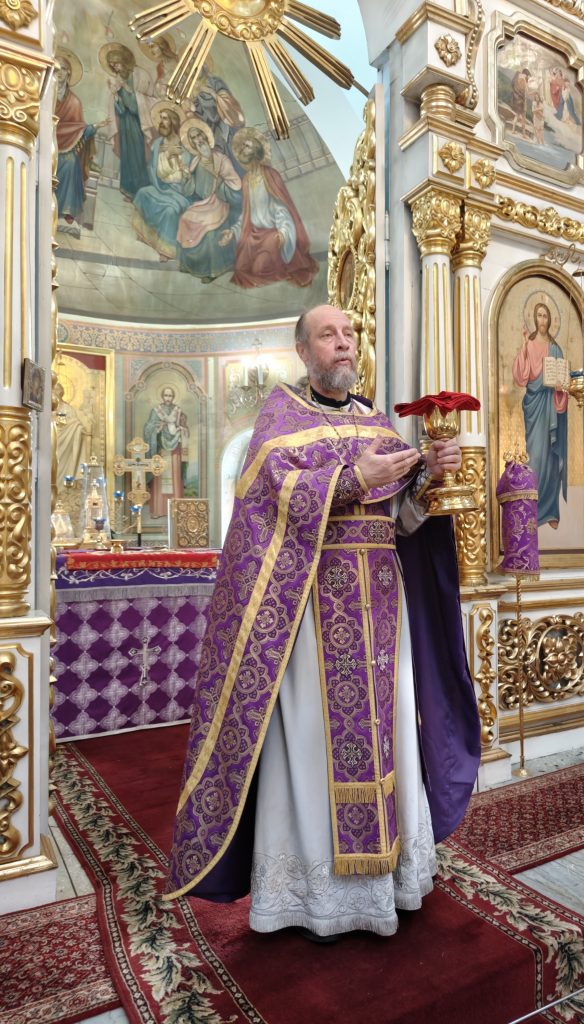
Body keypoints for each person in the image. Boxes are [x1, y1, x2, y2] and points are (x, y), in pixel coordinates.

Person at [164, 304, 481, 939]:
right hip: (310, 616)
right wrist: (353, 478)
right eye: (328, 335)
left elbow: (402, 524)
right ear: (304, 351)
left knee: (391, 737)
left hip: (382, 615)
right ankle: (316, 899)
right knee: (311, 748)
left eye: (350, 334)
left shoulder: (378, 424)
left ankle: (391, 882)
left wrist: (427, 482)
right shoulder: (279, 418)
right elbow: (266, 508)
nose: (343, 344)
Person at [224, 127, 318, 288]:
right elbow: (246, 213)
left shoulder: (270, 175)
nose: (242, 149)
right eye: (242, 146)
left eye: (247, 146)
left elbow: (281, 208)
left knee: (261, 269)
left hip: (272, 234)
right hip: (253, 235)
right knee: (241, 270)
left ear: (256, 151)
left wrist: (283, 232)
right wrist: (232, 231)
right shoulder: (246, 180)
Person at [512, 301, 568, 529]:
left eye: (545, 316)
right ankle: (533, 509)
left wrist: (561, 387)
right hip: (534, 408)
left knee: (552, 461)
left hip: (551, 406)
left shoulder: (555, 349)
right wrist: (524, 346)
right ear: (535, 319)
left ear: (549, 320)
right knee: (534, 457)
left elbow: (563, 382)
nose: (542, 320)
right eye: (539, 315)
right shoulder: (529, 344)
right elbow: (521, 377)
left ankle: (550, 511)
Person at [176, 118, 242, 282]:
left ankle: (214, 270)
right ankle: (191, 264)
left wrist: (219, 183)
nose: (198, 140)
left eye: (199, 135)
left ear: (206, 136)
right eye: (193, 138)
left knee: (209, 225)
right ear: (192, 144)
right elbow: (189, 190)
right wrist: (187, 177)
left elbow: (235, 183)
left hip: (219, 201)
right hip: (203, 203)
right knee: (185, 219)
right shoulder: (195, 161)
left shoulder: (221, 159)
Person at [54, 50, 103, 238]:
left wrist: (93, 128)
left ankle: (65, 210)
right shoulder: (44, 92)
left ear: (68, 73)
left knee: (71, 162)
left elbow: (78, 129)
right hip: (44, 143)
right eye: (56, 68)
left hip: (65, 147)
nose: (59, 72)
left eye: (63, 68)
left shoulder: (74, 102)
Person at [132, 103, 191, 260]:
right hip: (160, 186)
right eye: (161, 119)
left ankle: (165, 249)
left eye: (165, 119)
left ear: (173, 122)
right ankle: (145, 235)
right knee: (142, 193)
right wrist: (165, 159)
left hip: (177, 191)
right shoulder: (158, 144)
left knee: (170, 211)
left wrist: (173, 159)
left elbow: (184, 176)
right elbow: (153, 169)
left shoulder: (182, 146)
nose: (161, 122)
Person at [100, 43, 154, 200]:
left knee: (139, 157)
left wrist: (125, 89)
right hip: (125, 124)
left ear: (124, 61)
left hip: (140, 124)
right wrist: (116, 96)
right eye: (112, 66)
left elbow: (144, 102)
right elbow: (121, 110)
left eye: (116, 64)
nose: (115, 68)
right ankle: (129, 190)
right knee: (128, 157)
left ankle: (141, 190)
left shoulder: (140, 75)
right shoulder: (118, 80)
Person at [143, 385, 189, 517]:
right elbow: (148, 428)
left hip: (175, 450)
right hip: (160, 448)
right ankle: (158, 510)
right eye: (166, 395)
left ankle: (176, 512)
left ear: (173, 397)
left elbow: (184, 426)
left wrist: (182, 430)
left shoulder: (178, 410)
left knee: (174, 476)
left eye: (170, 396)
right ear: (162, 396)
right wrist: (157, 428)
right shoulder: (156, 411)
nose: (168, 398)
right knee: (160, 475)